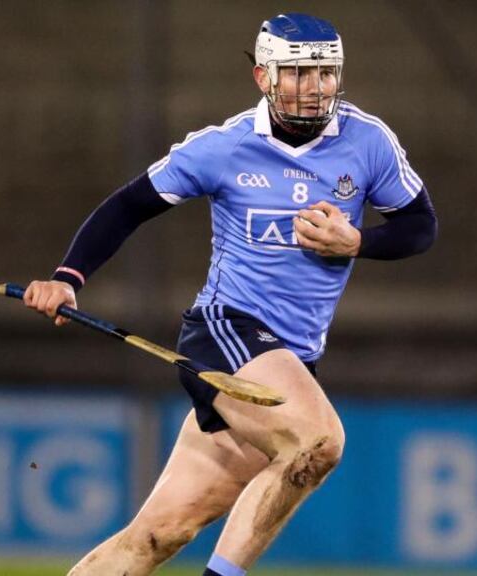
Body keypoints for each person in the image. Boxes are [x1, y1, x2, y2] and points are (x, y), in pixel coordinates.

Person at [23, 13, 437, 576]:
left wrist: (357, 240)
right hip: (226, 330)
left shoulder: (367, 141)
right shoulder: (223, 147)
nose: (313, 88)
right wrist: (68, 278)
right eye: (296, 74)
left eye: (324, 74)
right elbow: (127, 207)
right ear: (263, 77)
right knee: (318, 443)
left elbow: (420, 227)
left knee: (157, 535)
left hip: (291, 361)